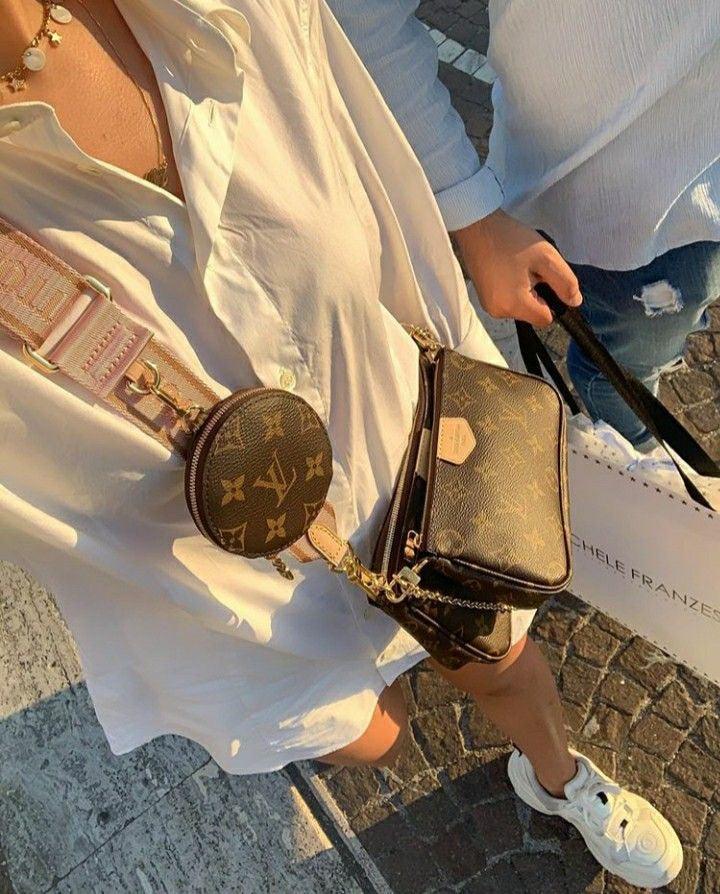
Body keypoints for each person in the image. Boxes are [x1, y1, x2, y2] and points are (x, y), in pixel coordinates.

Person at [0, 0, 680, 888]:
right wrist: (238, 687)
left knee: (507, 669)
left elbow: (381, 199)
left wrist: (475, 232)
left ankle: (558, 778)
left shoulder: (219, 16)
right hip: (244, 599)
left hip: (413, 463)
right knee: (378, 736)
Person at [330, 0, 720, 450]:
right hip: (535, 193)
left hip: (682, 223)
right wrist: (473, 218)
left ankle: (626, 452)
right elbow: (359, 12)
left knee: (630, 371)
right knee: (607, 375)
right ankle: (625, 450)